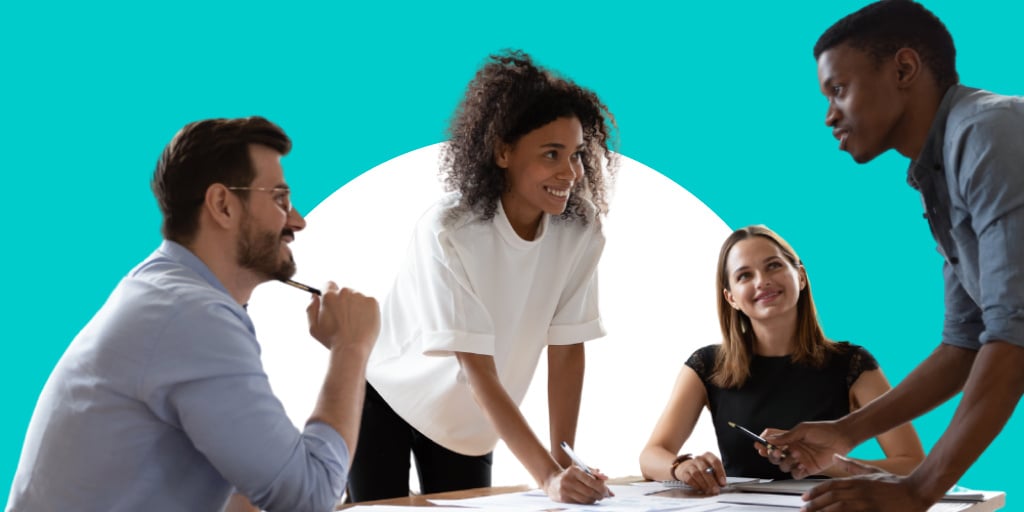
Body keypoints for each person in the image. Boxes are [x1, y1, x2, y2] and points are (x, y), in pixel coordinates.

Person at [6, 117, 381, 512]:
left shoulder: (164, 290)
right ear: (222, 205)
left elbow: (247, 491)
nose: (296, 221)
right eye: (279, 199)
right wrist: (350, 347)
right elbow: (308, 497)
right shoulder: (190, 316)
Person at [762, 1, 1024, 510]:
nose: (829, 115)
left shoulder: (986, 132)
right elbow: (964, 345)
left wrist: (918, 489)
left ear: (904, 69)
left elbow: (1014, 332)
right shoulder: (938, 174)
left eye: (839, 89)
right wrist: (845, 432)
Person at [346, 50, 618, 505]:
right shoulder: (449, 230)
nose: (570, 173)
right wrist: (547, 477)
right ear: (502, 151)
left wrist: (564, 462)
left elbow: (568, 349)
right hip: (386, 400)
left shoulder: (581, 229)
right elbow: (476, 370)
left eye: (574, 155)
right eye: (551, 154)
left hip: (470, 427)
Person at [639, 225, 923, 494]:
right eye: (744, 275)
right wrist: (681, 468)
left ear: (800, 276)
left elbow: (912, 464)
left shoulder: (853, 364)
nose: (762, 281)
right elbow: (652, 455)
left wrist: (829, 463)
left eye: (773, 265)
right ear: (731, 298)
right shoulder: (706, 365)